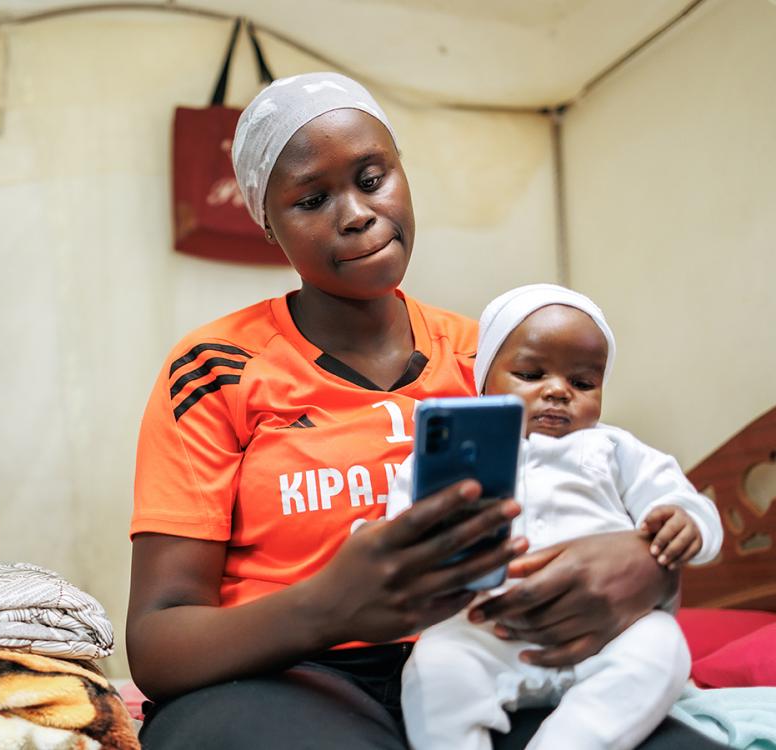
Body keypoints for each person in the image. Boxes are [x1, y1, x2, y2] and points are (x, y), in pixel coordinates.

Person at [127, 72, 726, 749]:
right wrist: (325, 605)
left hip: (496, 652)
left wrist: (647, 568)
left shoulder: (500, 363)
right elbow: (158, 642)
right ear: (268, 222)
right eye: (313, 198)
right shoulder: (214, 369)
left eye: (373, 178)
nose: (355, 213)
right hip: (291, 674)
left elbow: (602, 488)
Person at [385, 284, 722, 750]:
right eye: (530, 373)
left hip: (607, 633)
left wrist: (687, 520)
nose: (558, 391)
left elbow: (682, 499)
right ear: (485, 380)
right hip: (488, 631)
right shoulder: (447, 459)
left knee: (663, 645)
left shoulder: (613, 447)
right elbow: (397, 535)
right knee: (435, 665)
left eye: (583, 383)